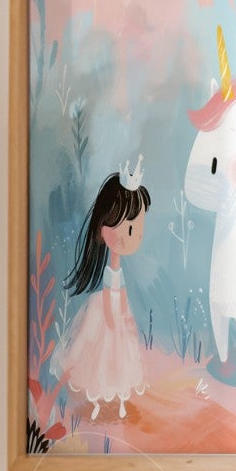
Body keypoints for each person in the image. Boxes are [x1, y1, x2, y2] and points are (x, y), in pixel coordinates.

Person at [55, 163, 151, 419]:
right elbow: (109, 295)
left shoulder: (117, 270)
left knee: (117, 359)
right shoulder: (111, 271)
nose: (136, 236)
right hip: (107, 314)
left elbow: (121, 292)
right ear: (104, 227)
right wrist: (112, 319)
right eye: (131, 229)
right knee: (103, 357)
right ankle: (101, 401)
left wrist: (124, 315)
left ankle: (115, 400)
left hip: (118, 311)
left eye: (138, 230)